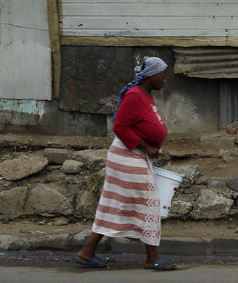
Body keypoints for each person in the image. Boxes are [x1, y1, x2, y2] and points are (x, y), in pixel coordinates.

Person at [74, 56, 178, 271]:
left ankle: (87, 252)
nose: (164, 81)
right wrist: (146, 147)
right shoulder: (134, 95)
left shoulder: (145, 96)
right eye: (163, 76)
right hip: (126, 156)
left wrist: (151, 148)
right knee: (150, 202)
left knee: (115, 204)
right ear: (151, 75)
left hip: (136, 156)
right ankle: (152, 259)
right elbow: (120, 126)